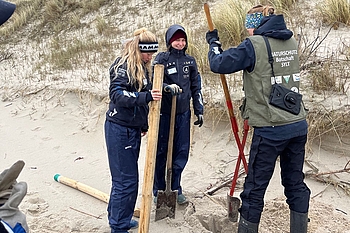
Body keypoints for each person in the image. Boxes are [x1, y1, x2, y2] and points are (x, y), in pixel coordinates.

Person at [206, 4, 310, 233]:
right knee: (295, 184)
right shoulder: (290, 41)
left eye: (248, 28)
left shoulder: (254, 44)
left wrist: (213, 44)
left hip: (271, 128)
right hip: (297, 123)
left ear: (254, 26)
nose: (247, 33)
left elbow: (218, 64)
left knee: (254, 191)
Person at [104, 27, 161, 233]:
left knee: (127, 179)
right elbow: (118, 96)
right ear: (137, 49)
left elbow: (141, 94)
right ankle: (118, 226)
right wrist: (146, 97)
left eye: (152, 52)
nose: (149, 56)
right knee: (125, 181)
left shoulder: (144, 67)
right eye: (146, 52)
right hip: (119, 129)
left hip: (132, 129)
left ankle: (120, 217)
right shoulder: (122, 67)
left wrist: (143, 123)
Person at [152, 24, 204, 205]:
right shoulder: (162, 59)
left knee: (181, 151)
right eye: (176, 40)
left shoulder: (190, 61)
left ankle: (175, 188)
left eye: (183, 40)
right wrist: (166, 87)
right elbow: (153, 80)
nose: (180, 43)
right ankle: (159, 189)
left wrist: (199, 110)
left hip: (183, 113)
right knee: (162, 151)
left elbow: (196, 87)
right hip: (165, 113)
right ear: (169, 41)